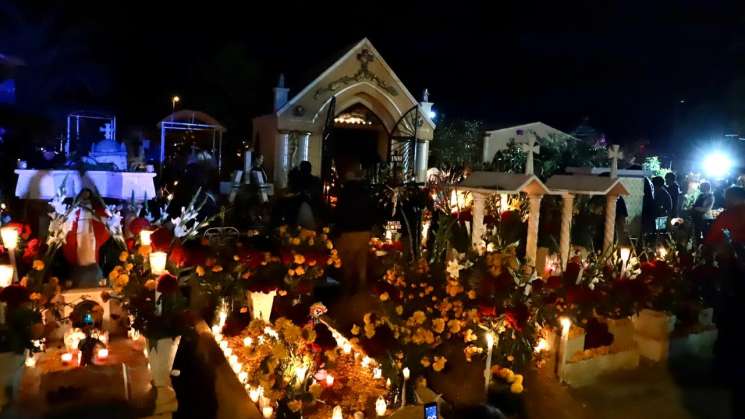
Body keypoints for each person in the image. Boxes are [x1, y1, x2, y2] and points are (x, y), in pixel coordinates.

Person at [334, 167, 375, 294]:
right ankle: (361, 294)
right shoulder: (366, 192)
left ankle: (346, 295)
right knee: (361, 263)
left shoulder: (344, 193)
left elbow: (339, 214)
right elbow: (372, 211)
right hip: (364, 231)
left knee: (347, 267)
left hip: (347, 232)